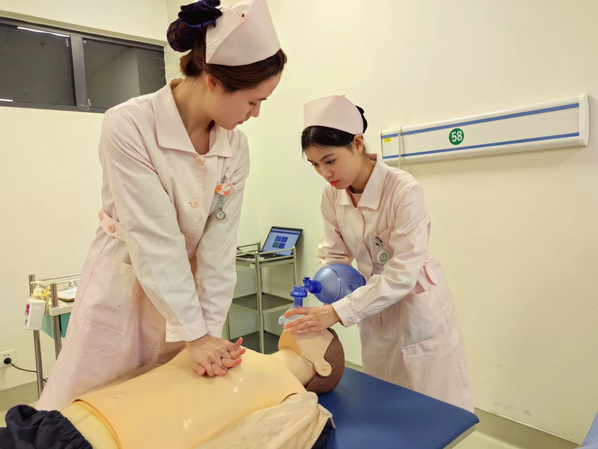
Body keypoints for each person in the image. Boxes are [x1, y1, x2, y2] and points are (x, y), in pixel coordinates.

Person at [37, 0, 287, 411]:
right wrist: (195, 334)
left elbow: (219, 248)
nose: (256, 114)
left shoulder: (236, 147)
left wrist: (206, 333)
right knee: (93, 410)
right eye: (252, 101)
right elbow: (154, 237)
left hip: (186, 298)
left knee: (172, 411)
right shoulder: (129, 124)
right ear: (213, 82)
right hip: (125, 289)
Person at [283, 95, 473, 411]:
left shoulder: (403, 190)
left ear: (357, 143)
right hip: (372, 309)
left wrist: (338, 312)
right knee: (385, 399)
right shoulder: (332, 196)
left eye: (330, 160)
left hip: (415, 308)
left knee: (431, 405)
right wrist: (329, 292)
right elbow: (334, 254)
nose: (325, 173)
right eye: (315, 165)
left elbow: (402, 272)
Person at [1, 330, 342, 449]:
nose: (310, 320)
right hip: (52, 424)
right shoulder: (220, 348)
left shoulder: (299, 404)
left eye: (322, 330)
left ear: (324, 367)